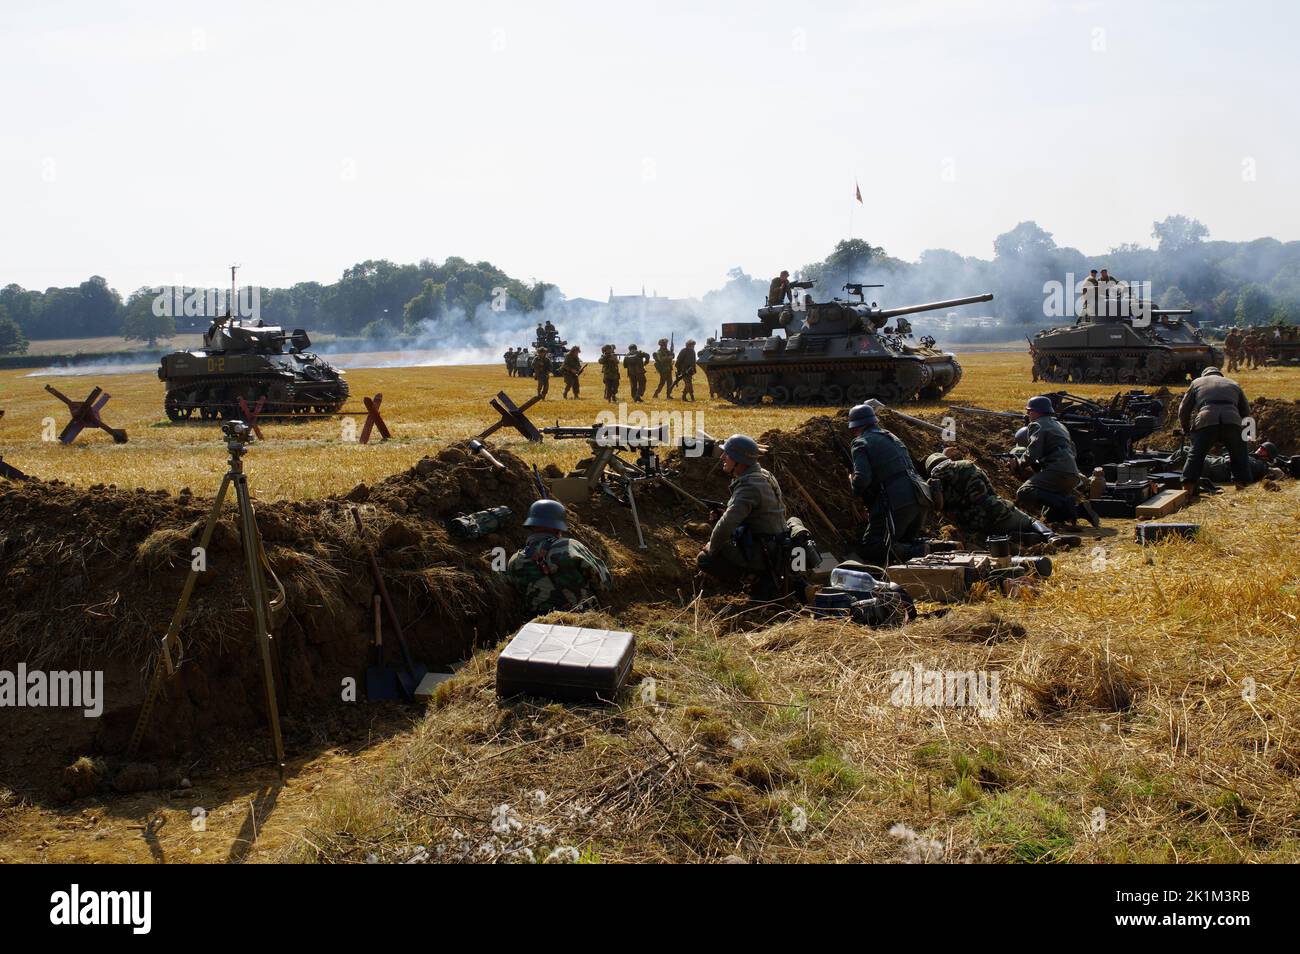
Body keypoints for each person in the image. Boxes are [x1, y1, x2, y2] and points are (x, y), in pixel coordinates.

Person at [924, 451, 1078, 549]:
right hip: (996, 510)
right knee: (1030, 522)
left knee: (989, 537)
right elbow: (990, 490)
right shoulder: (966, 465)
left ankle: (1019, 539)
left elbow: (941, 510)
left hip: (973, 524)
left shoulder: (934, 484)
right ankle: (1050, 537)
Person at [697, 434, 788, 592]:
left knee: (705, 560)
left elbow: (725, 526)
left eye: (728, 454)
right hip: (775, 545)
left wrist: (712, 548)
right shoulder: (764, 475)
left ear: (739, 461)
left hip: (765, 553)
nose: (723, 457)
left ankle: (753, 577)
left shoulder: (749, 486)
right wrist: (724, 513)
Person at [848, 403, 932, 566]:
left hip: (897, 500)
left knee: (874, 547)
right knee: (906, 540)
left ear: (856, 427)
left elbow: (862, 479)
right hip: (919, 496)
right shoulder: (891, 437)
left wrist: (853, 486)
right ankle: (935, 549)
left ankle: (922, 551)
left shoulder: (860, 443)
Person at [506, 499, 611, 615]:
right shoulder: (569, 546)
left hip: (540, 627)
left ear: (531, 526)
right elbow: (604, 582)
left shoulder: (514, 561)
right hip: (584, 621)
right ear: (558, 528)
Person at [1012, 396, 1098, 526]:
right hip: (1072, 474)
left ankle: (1066, 503)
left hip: (1057, 472)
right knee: (1049, 516)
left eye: (1029, 411)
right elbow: (1072, 450)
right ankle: (1078, 510)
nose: (1028, 414)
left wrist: (1019, 463)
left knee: (1025, 492)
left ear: (1038, 412)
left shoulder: (1037, 424)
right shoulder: (1060, 425)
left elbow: (1033, 452)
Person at [1177, 366, 1251, 493]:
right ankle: (1241, 489)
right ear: (1220, 375)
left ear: (1204, 375)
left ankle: (1187, 489)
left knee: (1195, 456)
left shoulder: (1196, 382)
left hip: (1206, 419)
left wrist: (1186, 429)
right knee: (1240, 455)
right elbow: (1246, 411)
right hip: (1232, 419)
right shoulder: (1233, 383)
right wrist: (1246, 434)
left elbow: (1184, 410)